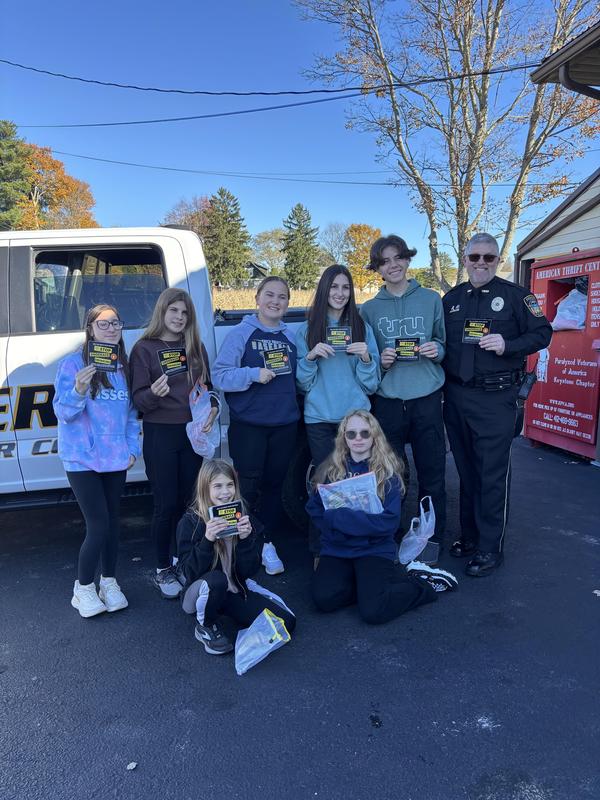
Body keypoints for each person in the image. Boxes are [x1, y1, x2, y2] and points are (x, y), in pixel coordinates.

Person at [442, 232, 553, 576]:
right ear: (465, 260)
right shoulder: (451, 299)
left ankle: (490, 548)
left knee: (491, 475)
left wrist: (508, 345)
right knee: (465, 470)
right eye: (474, 257)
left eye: (488, 257)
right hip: (457, 396)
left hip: (496, 398)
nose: (481, 263)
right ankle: (470, 537)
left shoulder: (517, 297)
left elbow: (543, 333)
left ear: (498, 260)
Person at [307, 410, 458, 626]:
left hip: (373, 549)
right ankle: (368, 588)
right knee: (324, 600)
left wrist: (338, 518)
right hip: (338, 547)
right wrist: (348, 525)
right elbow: (315, 509)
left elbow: (387, 523)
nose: (358, 438)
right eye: (351, 434)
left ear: (374, 436)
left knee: (374, 612)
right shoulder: (331, 470)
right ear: (344, 438)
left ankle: (421, 585)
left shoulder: (387, 474)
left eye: (365, 433)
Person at [360, 235, 447, 564]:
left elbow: (443, 342)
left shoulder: (431, 299)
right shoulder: (369, 310)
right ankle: (390, 536)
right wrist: (380, 361)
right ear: (378, 268)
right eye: (384, 261)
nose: (393, 265)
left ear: (408, 259)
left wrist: (437, 349)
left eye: (398, 258)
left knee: (432, 473)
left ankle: (432, 538)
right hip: (388, 403)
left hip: (426, 398)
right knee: (391, 475)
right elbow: (367, 359)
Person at [53, 304, 141, 618]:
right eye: (103, 324)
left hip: (115, 459)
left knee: (112, 524)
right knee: (98, 524)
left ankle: (109, 581)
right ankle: (84, 588)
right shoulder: (72, 364)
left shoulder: (124, 367)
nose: (111, 328)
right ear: (90, 329)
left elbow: (131, 416)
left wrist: (133, 449)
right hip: (82, 459)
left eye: (116, 323)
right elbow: (64, 413)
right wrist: (78, 389)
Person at [130, 288, 218, 599]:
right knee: (165, 504)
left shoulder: (195, 346)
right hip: (160, 433)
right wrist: (154, 393)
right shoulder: (144, 349)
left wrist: (213, 408)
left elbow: (208, 388)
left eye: (185, 313)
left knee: (190, 503)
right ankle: (163, 567)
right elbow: (139, 402)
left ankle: (185, 561)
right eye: (174, 311)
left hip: (192, 434)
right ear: (162, 312)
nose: (180, 317)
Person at [212, 276, 299, 576]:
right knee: (247, 487)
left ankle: (266, 542)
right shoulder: (241, 334)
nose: (275, 301)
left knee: (275, 486)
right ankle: (239, 545)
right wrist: (252, 374)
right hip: (249, 425)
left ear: (288, 303)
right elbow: (220, 376)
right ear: (257, 299)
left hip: (285, 423)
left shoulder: (291, 337)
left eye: (282, 297)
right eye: (269, 295)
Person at [176, 459, 296, 655]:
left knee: (285, 622)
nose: (225, 492)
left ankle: (229, 613)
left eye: (230, 485)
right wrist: (207, 540)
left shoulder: (241, 515)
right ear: (205, 488)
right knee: (216, 580)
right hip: (197, 593)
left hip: (232, 590)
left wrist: (246, 540)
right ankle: (205, 626)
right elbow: (188, 573)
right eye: (218, 486)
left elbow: (249, 571)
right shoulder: (190, 521)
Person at [296, 264, 380, 470]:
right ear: (324, 289)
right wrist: (310, 358)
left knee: (359, 478)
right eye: (334, 287)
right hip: (319, 420)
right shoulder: (306, 331)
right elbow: (302, 385)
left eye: (346, 287)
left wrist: (366, 359)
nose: (340, 293)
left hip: (357, 419)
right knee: (328, 480)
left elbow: (371, 387)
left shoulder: (363, 329)